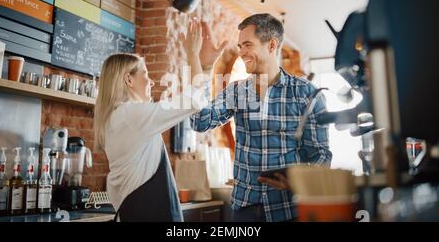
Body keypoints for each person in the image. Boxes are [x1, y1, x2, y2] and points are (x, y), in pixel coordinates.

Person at [190, 13, 332, 222]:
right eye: (240, 47)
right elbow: (200, 122)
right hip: (244, 210)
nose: (242, 53)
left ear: (272, 45)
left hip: (289, 209)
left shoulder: (307, 93)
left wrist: (300, 180)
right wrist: (203, 67)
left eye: (247, 45)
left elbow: (320, 155)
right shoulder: (236, 92)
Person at [94, 20, 220, 222]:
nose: (151, 81)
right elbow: (195, 100)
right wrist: (194, 56)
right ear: (128, 80)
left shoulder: (118, 117)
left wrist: (204, 67)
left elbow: (195, 100)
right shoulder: (131, 115)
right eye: (145, 74)